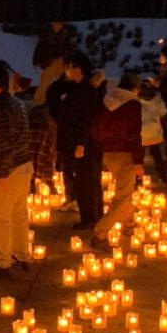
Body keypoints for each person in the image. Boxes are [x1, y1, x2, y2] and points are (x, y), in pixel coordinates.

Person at [0, 61, 33, 276]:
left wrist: (1, 174)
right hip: (24, 165)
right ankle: (22, 255)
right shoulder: (17, 104)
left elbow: (3, 144)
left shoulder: (0, 109)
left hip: (8, 170)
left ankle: (2, 262)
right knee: (19, 213)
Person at [46, 52, 105, 229]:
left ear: (78, 69)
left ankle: (89, 218)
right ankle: (95, 215)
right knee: (89, 179)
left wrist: (81, 143)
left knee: (86, 180)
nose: (67, 71)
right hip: (80, 141)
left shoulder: (85, 90)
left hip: (84, 143)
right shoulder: (80, 88)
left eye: (69, 67)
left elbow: (86, 119)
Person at [89, 77, 143, 251]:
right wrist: (139, 160)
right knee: (123, 195)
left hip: (108, 153)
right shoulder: (132, 105)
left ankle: (128, 226)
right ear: (135, 88)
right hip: (125, 153)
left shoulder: (105, 101)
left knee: (125, 190)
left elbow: (95, 127)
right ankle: (100, 233)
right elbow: (134, 134)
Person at [128, 73, 167, 183]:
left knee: (139, 158)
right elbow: (163, 112)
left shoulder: (134, 101)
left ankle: (138, 179)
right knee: (157, 155)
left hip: (140, 134)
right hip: (154, 132)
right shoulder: (157, 99)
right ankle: (162, 176)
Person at [31, 19, 72, 104]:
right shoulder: (46, 36)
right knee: (45, 83)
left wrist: (68, 61)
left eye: (59, 24)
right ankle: (37, 102)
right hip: (48, 62)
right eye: (56, 24)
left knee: (63, 82)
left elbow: (67, 49)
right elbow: (40, 48)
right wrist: (36, 60)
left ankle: (62, 101)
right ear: (52, 24)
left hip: (60, 61)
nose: (57, 26)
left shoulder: (64, 36)